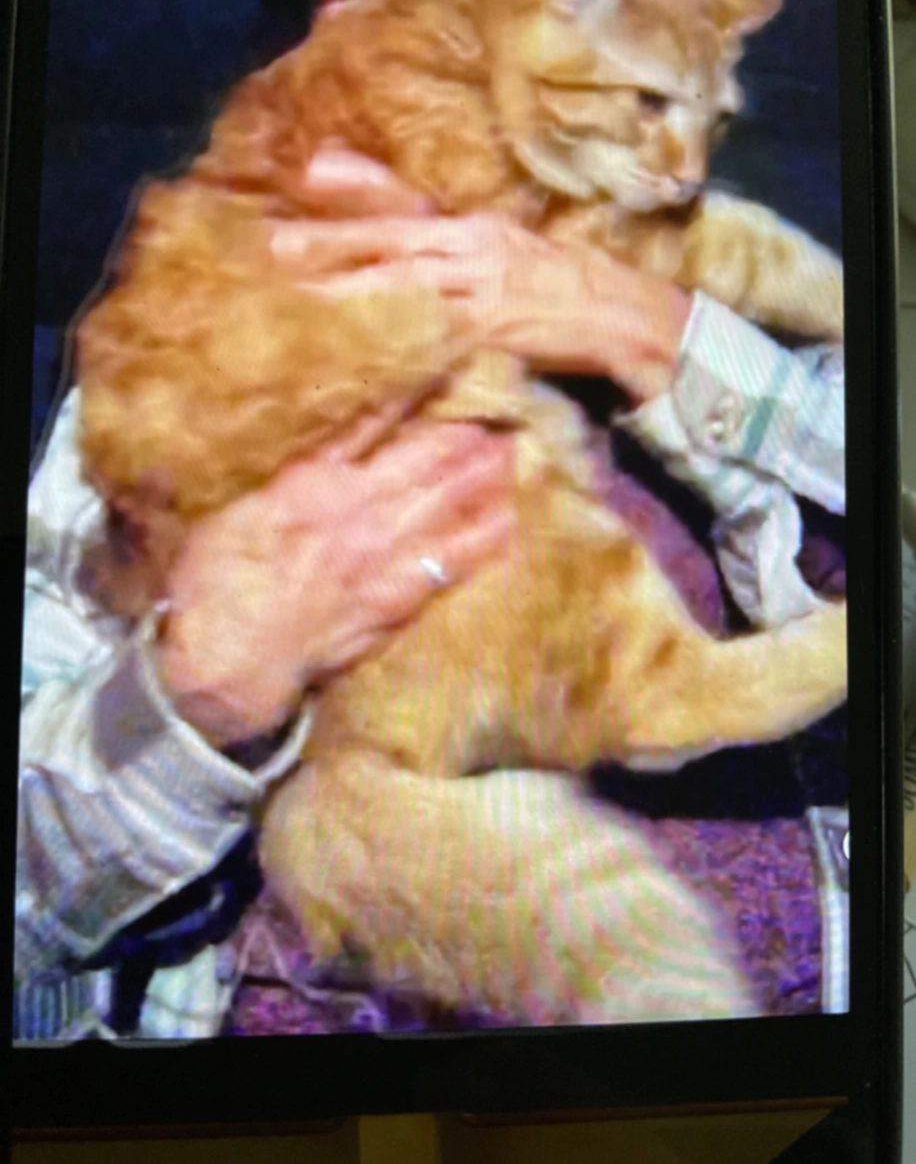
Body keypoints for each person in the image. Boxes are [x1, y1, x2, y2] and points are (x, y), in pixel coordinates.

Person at [15, 145, 845, 1039]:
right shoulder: (172, 364)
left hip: (832, 990)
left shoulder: (660, 238)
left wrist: (653, 329)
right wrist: (191, 696)